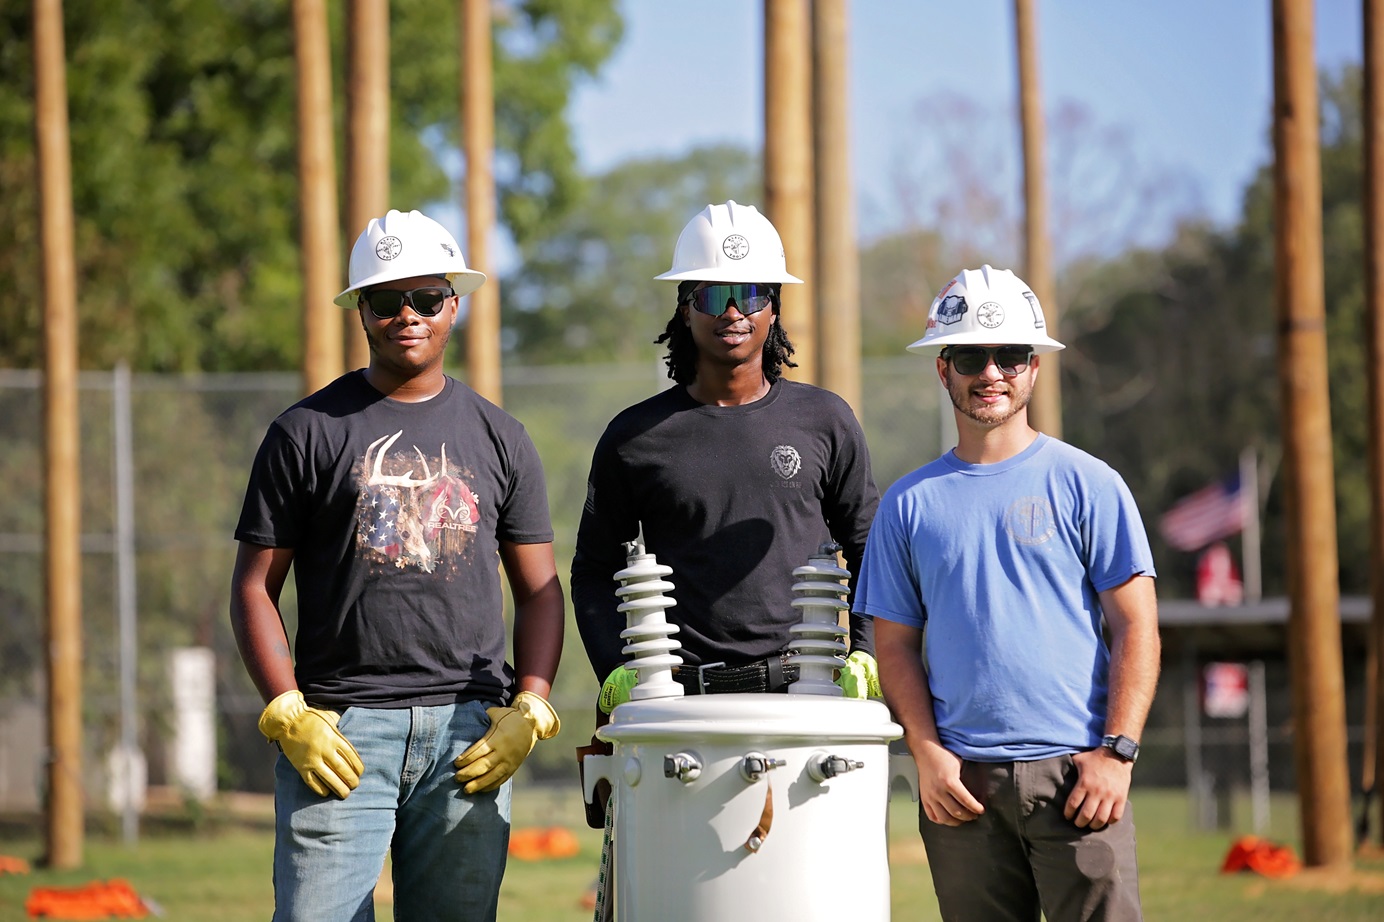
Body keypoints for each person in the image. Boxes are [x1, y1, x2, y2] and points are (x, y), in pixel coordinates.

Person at [229, 209, 564, 922]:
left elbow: (540, 590)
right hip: (340, 734)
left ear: (455, 302)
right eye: (386, 301)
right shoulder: (305, 433)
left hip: (469, 737)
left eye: (426, 298)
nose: (406, 315)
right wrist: (287, 709)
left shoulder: (501, 437)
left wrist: (530, 704)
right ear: (361, 312)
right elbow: (255, 588)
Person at [854, 265, 1161, 922]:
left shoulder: (1091, 485)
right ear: (944, 369)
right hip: (961, 786)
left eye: (1011, 355)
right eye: (970, 354)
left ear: (1034, 368)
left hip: (1080, 780)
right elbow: (895, 646)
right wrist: (928, 755)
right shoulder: (908, 504)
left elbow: (1137, 627)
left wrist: (1117, 753)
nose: (990, 371)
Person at [571, 200, 881, 711]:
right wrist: (616, 670)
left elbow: (870, 548)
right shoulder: (635, 436)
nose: (733, 312)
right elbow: (593, 569)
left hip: (807, 692)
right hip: (678, 703)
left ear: (774, 307)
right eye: (714, 295)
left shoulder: (825, 419)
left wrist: (866, 653)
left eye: (751, 294)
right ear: (686, 307)